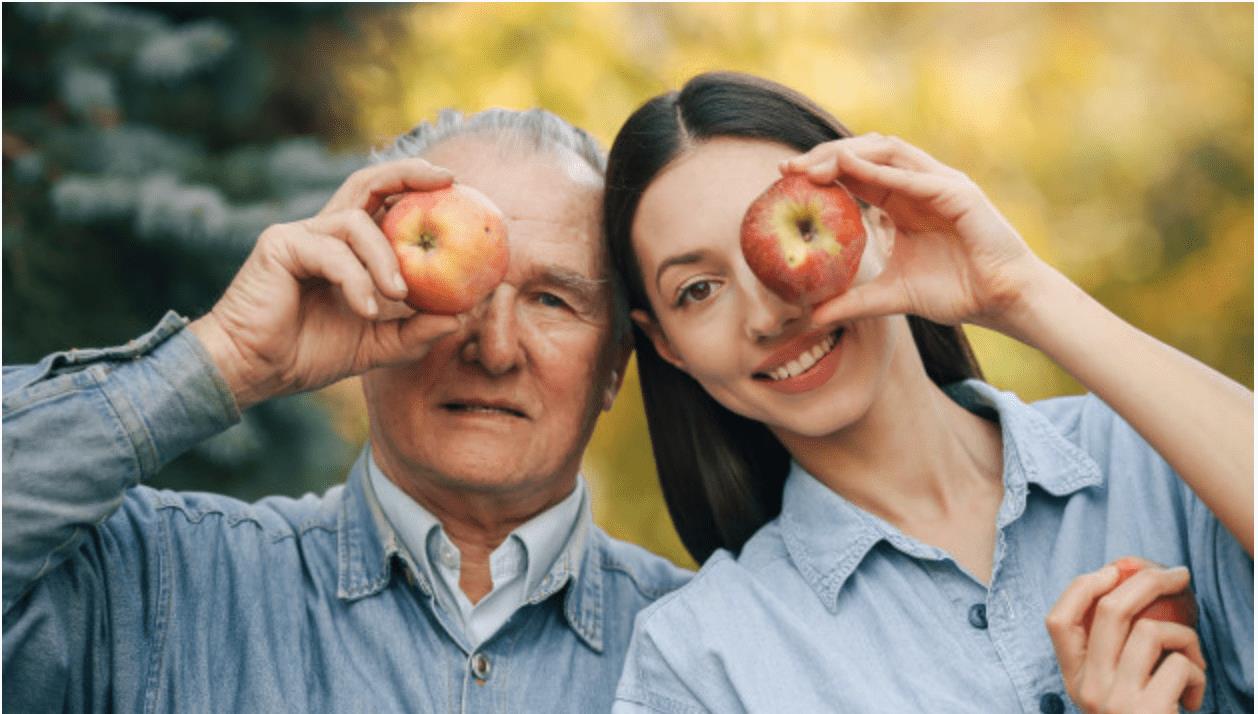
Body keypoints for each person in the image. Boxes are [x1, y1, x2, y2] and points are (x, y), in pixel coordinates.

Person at [602, 72, 1253, 713]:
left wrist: (1022, 291)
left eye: (788, 234)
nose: (768, 315)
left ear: (880, 219)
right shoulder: (698, 666)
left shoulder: (1163, 458)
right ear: (667, 347)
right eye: (698, 290)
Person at [3, 107, 690, 712]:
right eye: (446, 289)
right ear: (364, 299)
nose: (495, 349)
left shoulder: (704, 645)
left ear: (614, 369)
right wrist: (226, 355)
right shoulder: (156, 585)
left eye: (552, 300)